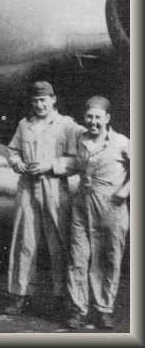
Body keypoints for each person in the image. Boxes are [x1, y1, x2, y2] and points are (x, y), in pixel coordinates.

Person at [5, 80, 83, 316]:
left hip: (54, 187)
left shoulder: (67, 126)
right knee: (24, 242)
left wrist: (51, 166)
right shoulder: (24, 125)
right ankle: (20, 295)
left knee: (58, 243)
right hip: (27, 186)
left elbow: (78, 159)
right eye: (35, 100)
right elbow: (12, 151)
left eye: (43, 99)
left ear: (53, 99)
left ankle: (62, 296)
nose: (39, 104)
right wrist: (17, 163)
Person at [66, 96, 130, 330]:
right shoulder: (81, 139)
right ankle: (78, 310)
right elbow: (73, 165)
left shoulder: (121, 142)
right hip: (83, 204)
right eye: (89, 117)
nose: (93, 122)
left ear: (108, 118)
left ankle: (104, 309)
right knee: (78, 258)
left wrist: (126, 190)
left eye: (97, 118)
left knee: (108, 259)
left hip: (111, 205)